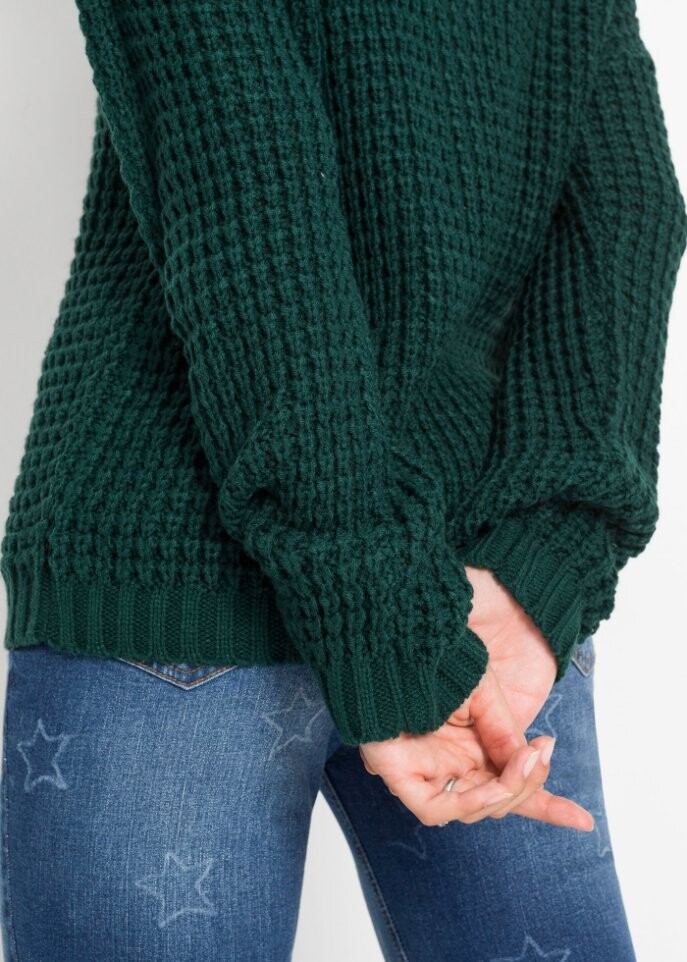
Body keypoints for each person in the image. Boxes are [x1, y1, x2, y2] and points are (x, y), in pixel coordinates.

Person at [0, 1, 684, 959]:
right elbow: (626, 203)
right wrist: (540, 559)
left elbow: (246, 190)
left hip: (187, 582)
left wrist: (430, 598)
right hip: (476, 598)